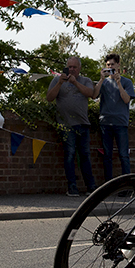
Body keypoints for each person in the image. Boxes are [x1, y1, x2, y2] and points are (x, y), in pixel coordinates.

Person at [46, 56, 97, 196]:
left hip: (83, 124)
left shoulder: (85, 81)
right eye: (70, 67)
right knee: (69, 155)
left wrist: (75, 83)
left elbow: (91, 94)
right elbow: (49, 98)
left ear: (79, 68)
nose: (72, 69)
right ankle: (72, 186)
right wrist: (59, 83)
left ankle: (90, 186)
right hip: (66, 125)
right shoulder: (57, 80)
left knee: (85, 155)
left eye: (74, 67)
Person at [93, 53, 135, 181]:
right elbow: (94, 95)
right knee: (107, 155)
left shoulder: (126, 82)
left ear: (118, 65)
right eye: (108, 65)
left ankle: (127, 185)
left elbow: (126, 99)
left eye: (112, 64)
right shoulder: (104, 82)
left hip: (121, 123)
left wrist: (118, 83)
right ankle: (108, 185)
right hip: (105, 123)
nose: (110, 67)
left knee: (123, 155)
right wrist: (101, 79)